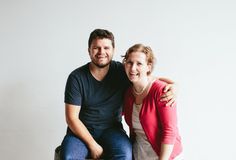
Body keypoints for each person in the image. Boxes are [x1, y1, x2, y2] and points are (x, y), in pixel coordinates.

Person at [60, 29, 177, 160]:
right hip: (80, 133)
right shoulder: (77, 77)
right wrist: (93, 145)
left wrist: (174, 87)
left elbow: (145, 77)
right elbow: (72, 118)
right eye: (96, 48)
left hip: (112, 130)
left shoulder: (123, 71)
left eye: (106, 48)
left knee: (125, 155)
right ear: (89, 50)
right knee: (68, 157)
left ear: (113, 50)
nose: (101, 52)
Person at [122, 44, 182, 160]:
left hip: (165, 155)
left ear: (148, 67)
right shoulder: (128, 93)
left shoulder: (161, 90)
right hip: (140, 153)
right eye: (129, 62)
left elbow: (170, 130)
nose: (133, 68)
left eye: (139, 63)